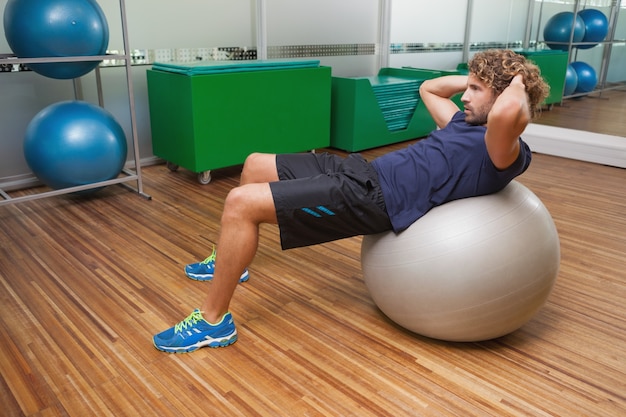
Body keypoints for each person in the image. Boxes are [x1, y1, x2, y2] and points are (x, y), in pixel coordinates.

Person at [153, 49, 550, 353]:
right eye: (467, 86)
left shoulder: (502, 149)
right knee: (255, 163)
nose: (464, 95)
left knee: (241, 202)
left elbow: (509, 113)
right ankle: (227, 260)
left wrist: (515, 79)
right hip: (362, 172)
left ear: (500, 97)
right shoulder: (464, 121)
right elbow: (428, 89)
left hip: (373, 199)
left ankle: (213, 321)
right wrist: (475, 78)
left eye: (476, 90)